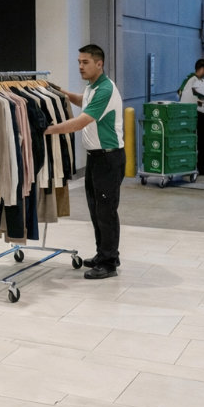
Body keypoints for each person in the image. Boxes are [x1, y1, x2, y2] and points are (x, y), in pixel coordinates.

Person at [44, 44, 125, 279]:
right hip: (96, 157)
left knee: (106, 211)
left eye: (85, 62)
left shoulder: (105, 90)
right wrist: (63, 93)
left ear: (99, 64)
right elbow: (83, 101)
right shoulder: (92, 87)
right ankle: (104, 253)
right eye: (79, 62)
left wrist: (46, 131)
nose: (80, 66)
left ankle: (109, 263)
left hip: (109, 158)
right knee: (96, 209)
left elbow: (81, 122)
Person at [178, 58, 204, 176]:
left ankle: (186, 165)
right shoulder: (197, 81)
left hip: (185, 113)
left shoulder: (188, 79)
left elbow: (180, 92)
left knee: (189, 141)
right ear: (202, 69)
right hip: (197, 114)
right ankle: (201, 168)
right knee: (202, 143)